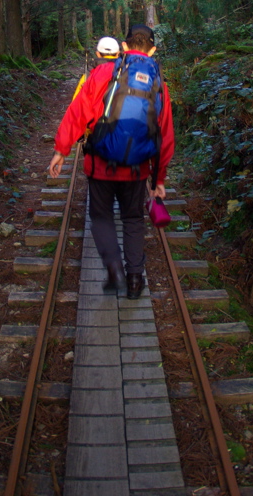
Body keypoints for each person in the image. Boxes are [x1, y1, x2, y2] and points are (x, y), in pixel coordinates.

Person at [49, 24, 174, 299]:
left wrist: (61, 149)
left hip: (101, 165)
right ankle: (134, 280)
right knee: (133, 219)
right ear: (153, 50)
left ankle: (114, 267)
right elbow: (165, 136)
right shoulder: (158, 83)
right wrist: (159, 180)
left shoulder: (104, 72)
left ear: (125, 47)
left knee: (101, 216)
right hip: (137, 170)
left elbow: (78, 112)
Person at [71, 36, 120, 101]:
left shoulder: (88, 75)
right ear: (118, 53)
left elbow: (75, 100)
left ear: (97, 54)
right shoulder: (124, 72)